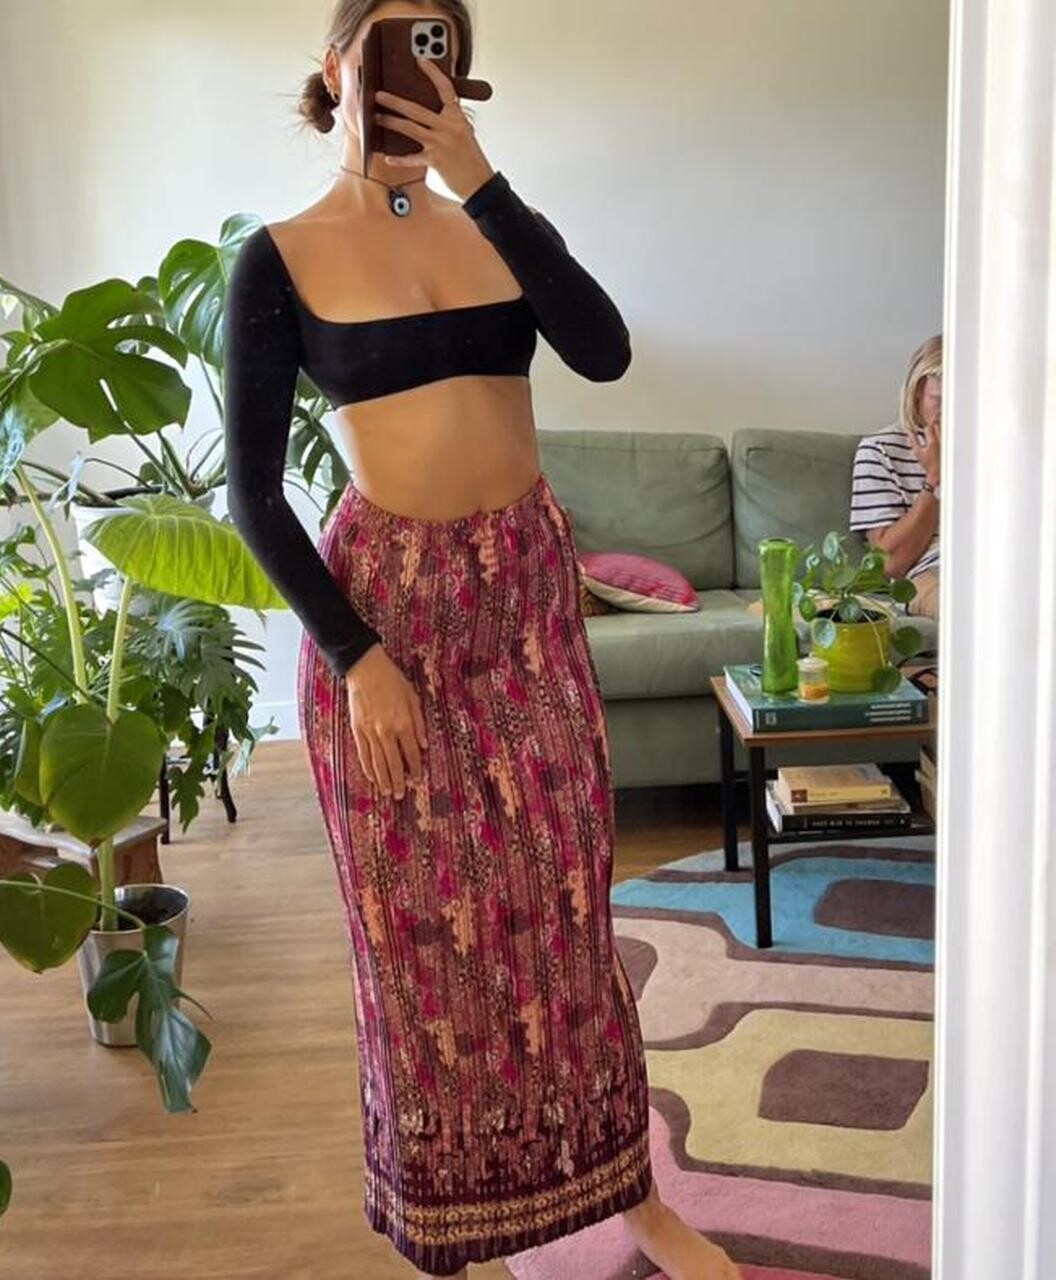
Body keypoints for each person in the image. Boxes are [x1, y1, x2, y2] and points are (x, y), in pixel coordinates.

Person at [223, 4, 741, 1278]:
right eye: (393, 38)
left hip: (523, 606)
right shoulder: (276, 260)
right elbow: (252, 492)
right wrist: (357, 658)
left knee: (564, 919)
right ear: (338, 62)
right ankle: (454, 1225)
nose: (418, 65)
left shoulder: (486, 223)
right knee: (417, 945)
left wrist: (479, 179)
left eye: (440, 42)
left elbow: (602, 351)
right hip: (385, 622)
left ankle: (630, 1196)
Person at [849, 335, 943, 619]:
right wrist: (935, 477)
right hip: (927, 575)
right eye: (939, 399)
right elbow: (891, 564)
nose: (953, 410)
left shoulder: (995, 450)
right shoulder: (879, 450)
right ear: (916, 393)